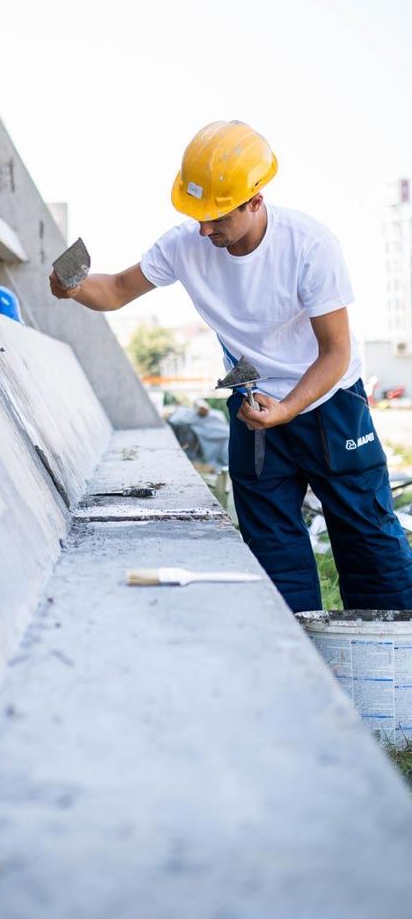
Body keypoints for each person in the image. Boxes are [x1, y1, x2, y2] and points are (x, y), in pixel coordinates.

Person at [49, 119, 412, 614]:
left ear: (256, 201)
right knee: (272, 552)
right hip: (255, 407)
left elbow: (335, 353)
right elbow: (112, 290)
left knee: (369, 541)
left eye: (217, 216)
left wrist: (288, 409)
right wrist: (71, 286)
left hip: (330, 403)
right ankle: (298, 664)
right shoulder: (185, 244)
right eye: (198, 215)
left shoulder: (310, 247)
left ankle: (388, 670)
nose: (204, 228)